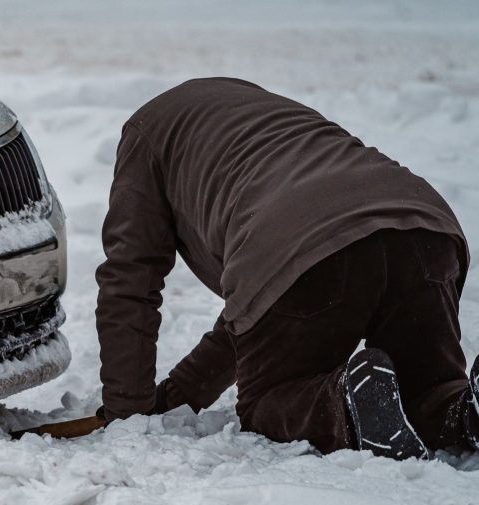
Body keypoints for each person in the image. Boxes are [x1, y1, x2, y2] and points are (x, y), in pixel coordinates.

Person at [95, 77, 479, 459]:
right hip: (423, 226)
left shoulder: (144, 136)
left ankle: (347, 401)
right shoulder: (267, 118)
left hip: (303, 241)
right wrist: (178, 397)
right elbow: (250, 320)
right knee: (429, 388)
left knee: (269, 399)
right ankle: (465, 414)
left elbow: (130, 284)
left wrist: (125, 413)